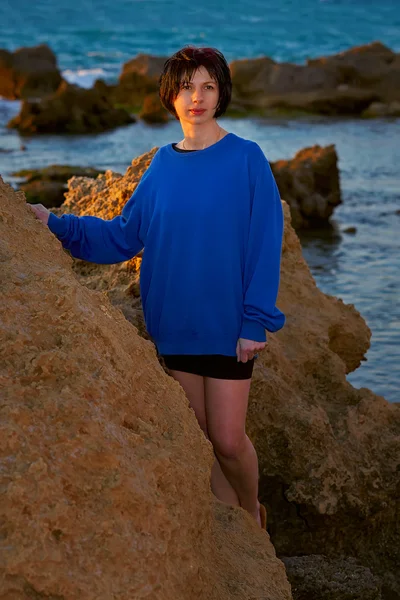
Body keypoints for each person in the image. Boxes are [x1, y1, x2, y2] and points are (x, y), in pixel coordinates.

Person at [29, 45, 285, 530]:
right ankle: (234, 539)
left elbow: (264, 244)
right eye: (187, 87)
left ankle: (251, 515)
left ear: (221, 94)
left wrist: (255, 320)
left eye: (208, 86)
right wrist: (56, 224)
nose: (197, 97)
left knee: (229, 440)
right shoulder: (163, 166)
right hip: (173, 324)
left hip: (229, 325)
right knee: (203, 437)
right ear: (171, 96)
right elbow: (123, 235)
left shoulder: (247, 159)